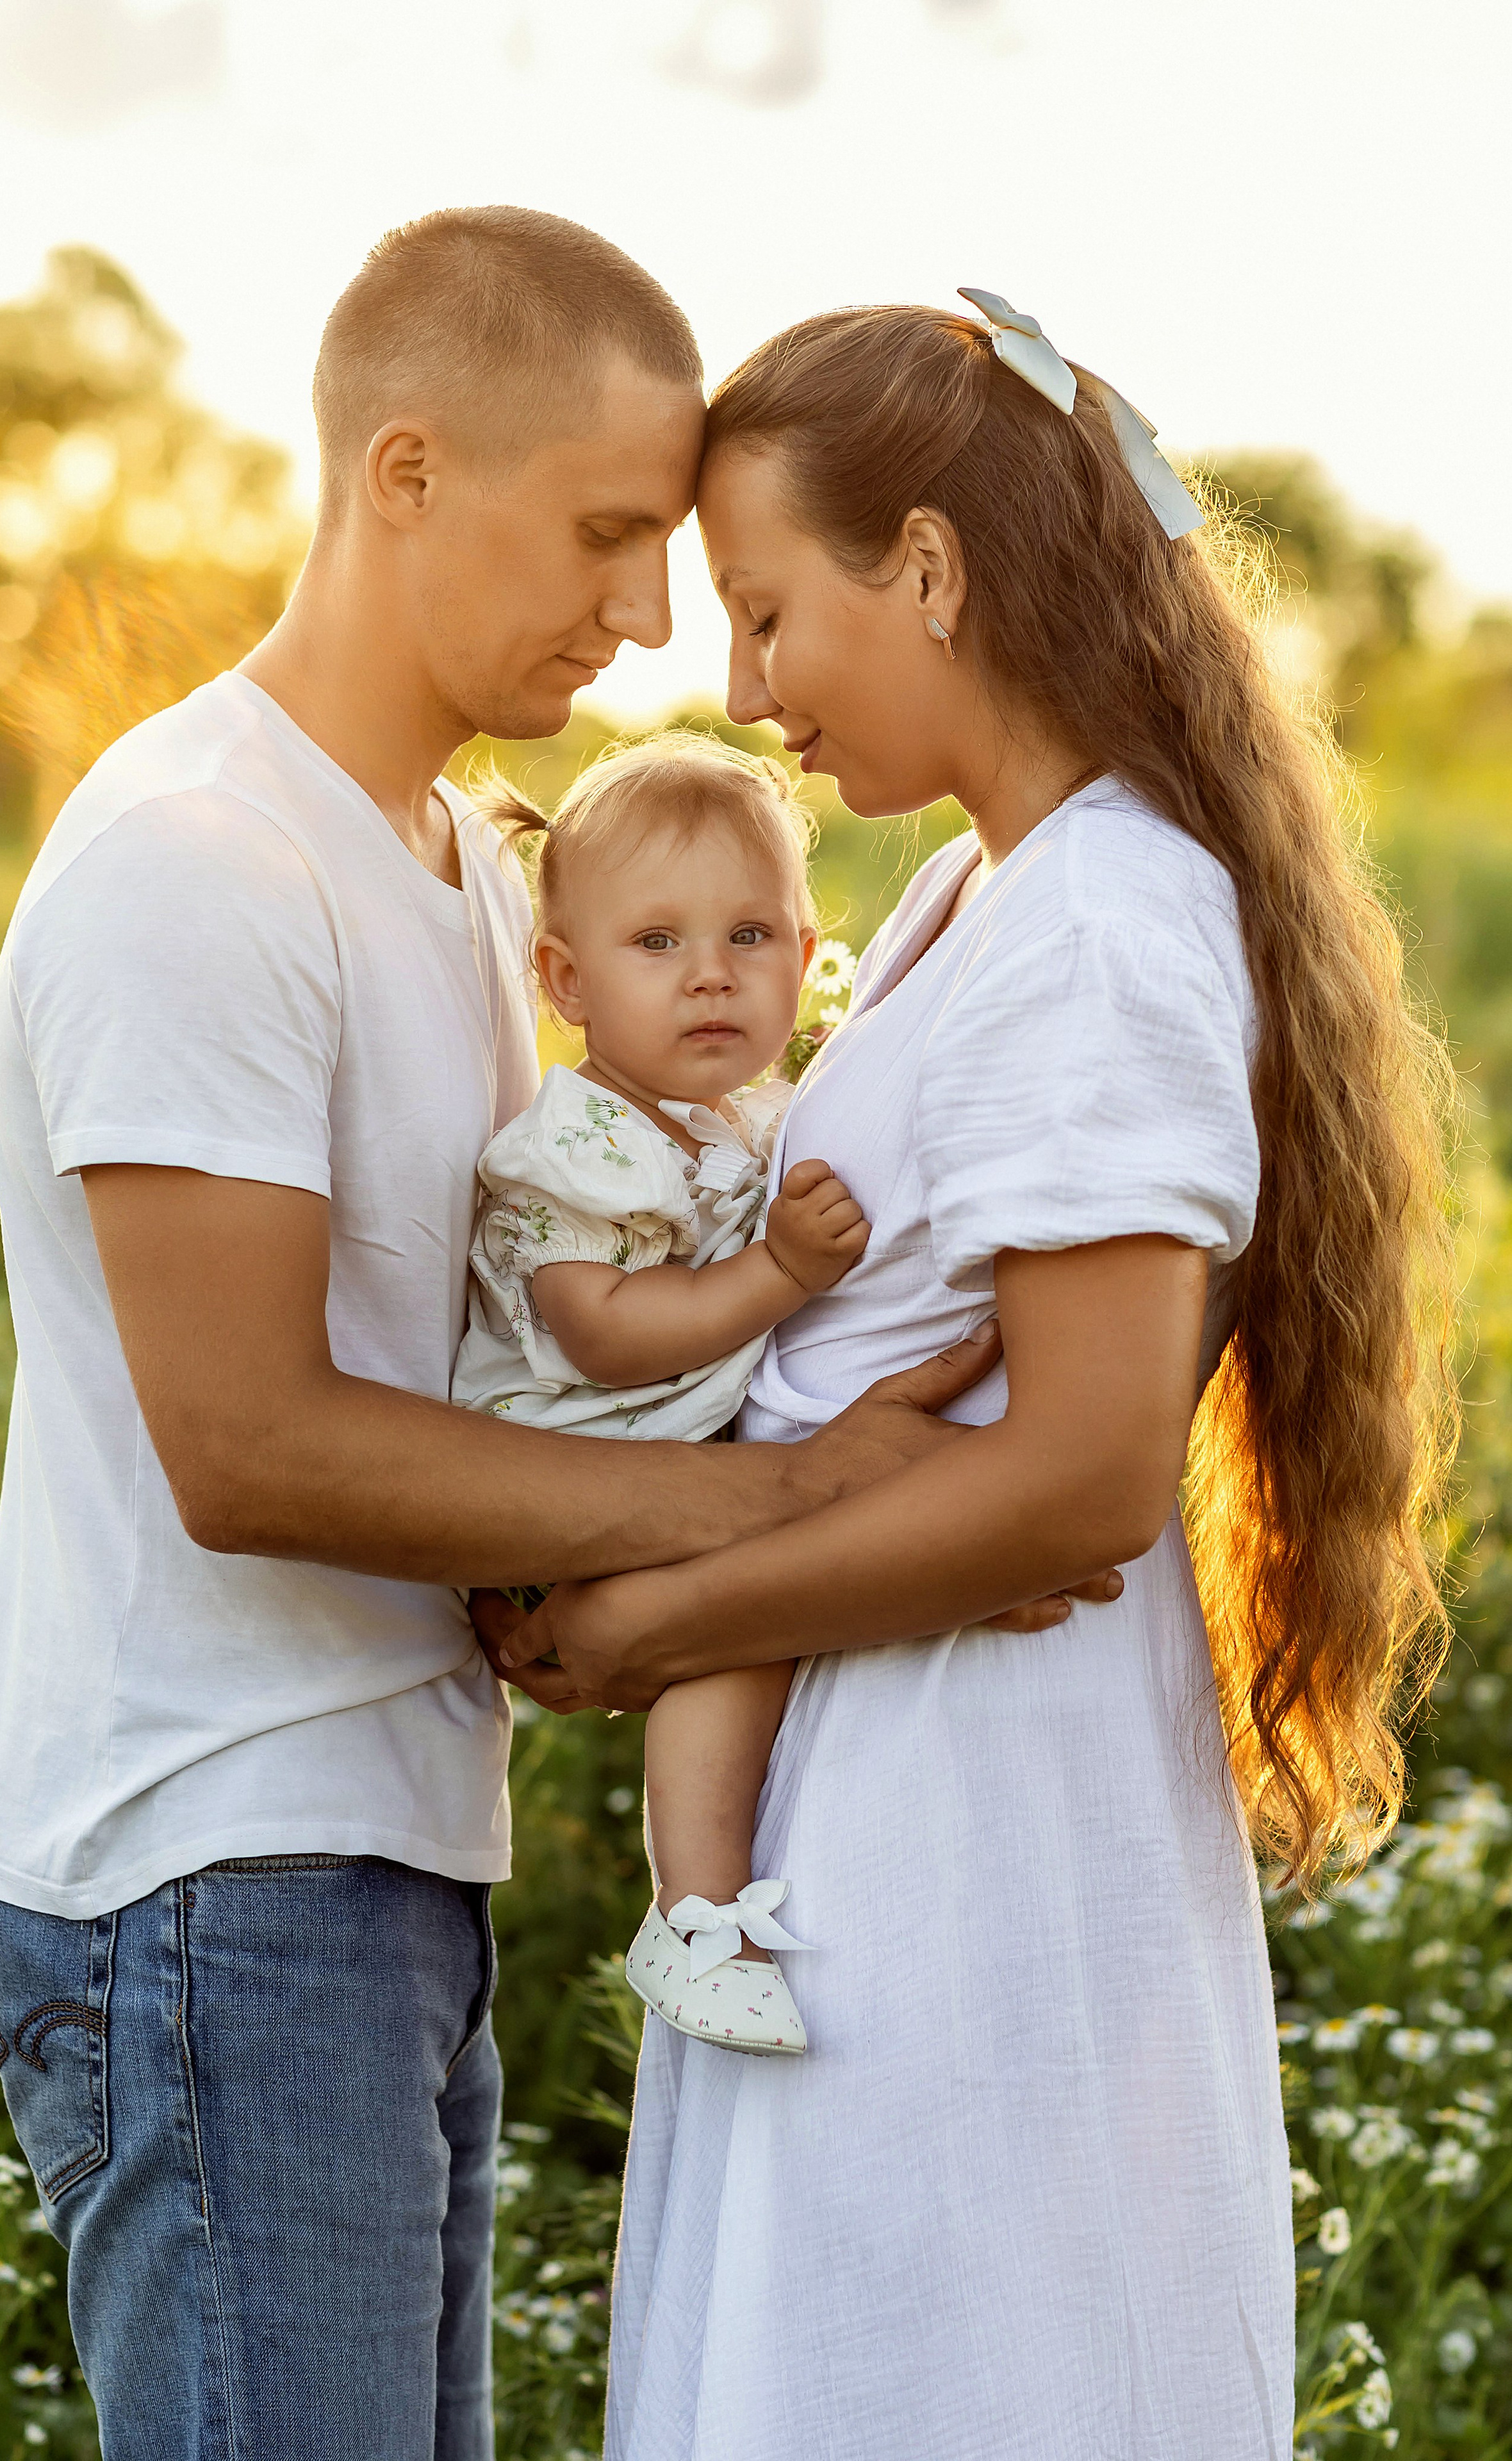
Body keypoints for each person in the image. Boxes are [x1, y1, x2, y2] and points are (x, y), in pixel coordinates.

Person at [0, 214, 1061, 2461]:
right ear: (409, 473)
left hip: (374, 1849)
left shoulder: (469, 870)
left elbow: (487, 1347)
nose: (648, 617)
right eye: (610, 533)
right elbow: (249, 1445)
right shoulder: (198, 861)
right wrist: (790, 1500)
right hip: (205, 1869)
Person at [490, 293, 1457, 2458]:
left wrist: (653, 1624)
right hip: (876, 1768)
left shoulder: (1098, 918)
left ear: (926, 568)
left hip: (975, 1802)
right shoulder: (972, 894)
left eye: (767, 613)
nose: (746, 694)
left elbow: (1086, 1476)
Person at [459, 735, 866, 2055]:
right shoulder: (578, 1143)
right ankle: (693, 1914)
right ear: (566, 980)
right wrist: (779, 1273)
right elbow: (606, 1335)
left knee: (776, 1612)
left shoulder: (751, 1115)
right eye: (656, 942)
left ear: (804, 955)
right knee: (735, 1625)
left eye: (750, 934)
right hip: (560, 1473)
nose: (710, 973)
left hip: (664, 1451)